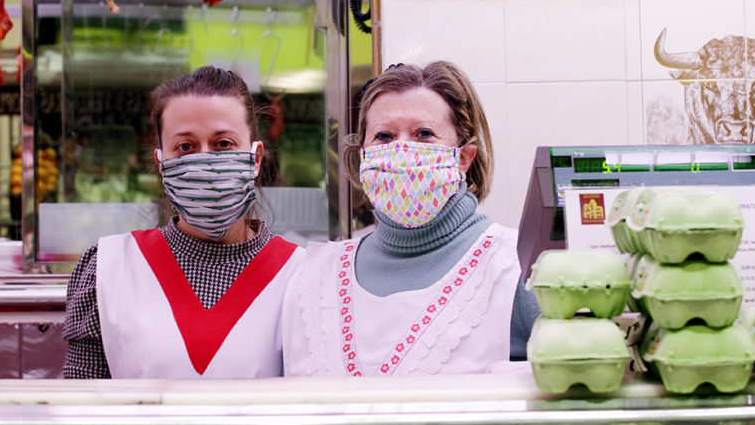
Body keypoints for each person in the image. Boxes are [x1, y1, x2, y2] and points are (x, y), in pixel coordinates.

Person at [283, 61, 540, 380]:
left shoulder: (517, 265)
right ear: (363, 157)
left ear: (463, 158)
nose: (402, 150)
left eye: (424, 134)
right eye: (384, 136)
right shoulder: (313, 277)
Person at [62, 66, 304, 379]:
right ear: (162, 164)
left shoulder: (303, 275)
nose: (204, 162)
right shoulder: (109, 267)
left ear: (255, 158)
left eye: (223, 144)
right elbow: (84, 400)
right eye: (186, 147)